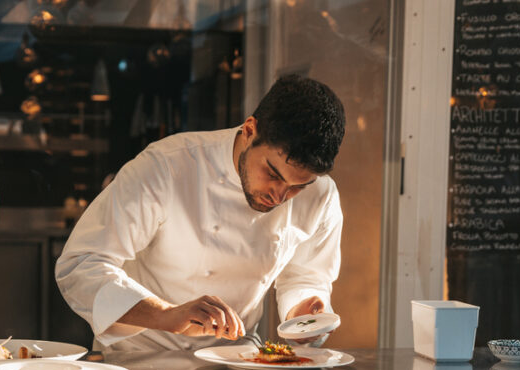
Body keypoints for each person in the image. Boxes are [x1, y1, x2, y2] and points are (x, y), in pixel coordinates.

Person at [56, 74, 345, 351]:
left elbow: (305, 277)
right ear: (249, 130)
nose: (280, 196)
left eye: (298, 187)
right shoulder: (168, 166)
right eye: (272, 173)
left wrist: (303, 311)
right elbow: (81, 265)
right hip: (141, 362)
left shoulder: (322, 196)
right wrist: (165, 314)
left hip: (237, 364)